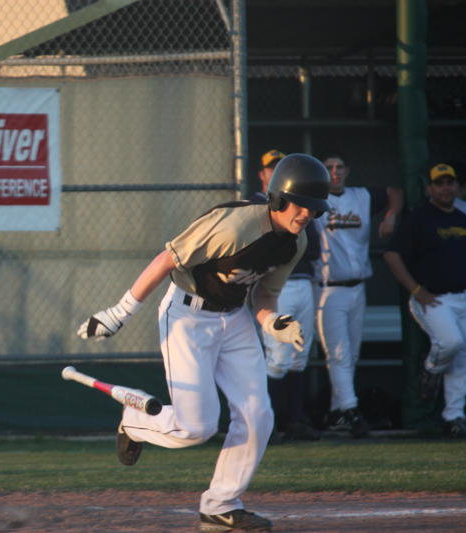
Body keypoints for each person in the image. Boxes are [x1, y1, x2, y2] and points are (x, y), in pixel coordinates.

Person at [77, 153, 330, 532]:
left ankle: (220, 504)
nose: (307, 215)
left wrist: (273, 321)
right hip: (187, 316)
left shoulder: (295, 243)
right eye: (301, 205)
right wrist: (120, 311)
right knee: (197, 427)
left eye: (314, 209)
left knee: (259, 415)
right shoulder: (235, 225)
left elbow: (262, 299)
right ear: (278, 199)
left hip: (235, 319)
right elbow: (168, 259)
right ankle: (134, 422)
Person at [313, 153, 404, 438]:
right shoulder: (314, 202)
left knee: (350, 354)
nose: (335, 172)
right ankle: (351, 410)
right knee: (338, 354)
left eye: (340, 167)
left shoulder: (361, 196)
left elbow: (395, 192)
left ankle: (337, 412)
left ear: (348, 170)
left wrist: (391, 215)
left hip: (358, 288)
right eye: (329, 168)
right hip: (329, 288)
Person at [383, 163, 466, 438]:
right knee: (451, 342)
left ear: (457, 186)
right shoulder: (419, 218)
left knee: (465, 356)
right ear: (430, 188)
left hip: (463, 298)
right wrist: (416, 289)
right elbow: (391, 254)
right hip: (433, 299)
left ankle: (453, 416)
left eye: (450, 182)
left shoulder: (463, 217)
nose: (446, 187)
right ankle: (431, 368)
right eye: (440, 183)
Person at [251, 150, 321, 442]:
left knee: (299, 355)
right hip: (276, 287)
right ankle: (269, 422)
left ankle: (295, 419)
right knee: (277, 358)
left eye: (277, 168)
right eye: (269, 168)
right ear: (263, 174)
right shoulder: (257, 204)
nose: (273, 173)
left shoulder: (301, 207)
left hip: (304, 282)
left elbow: (313, 247)